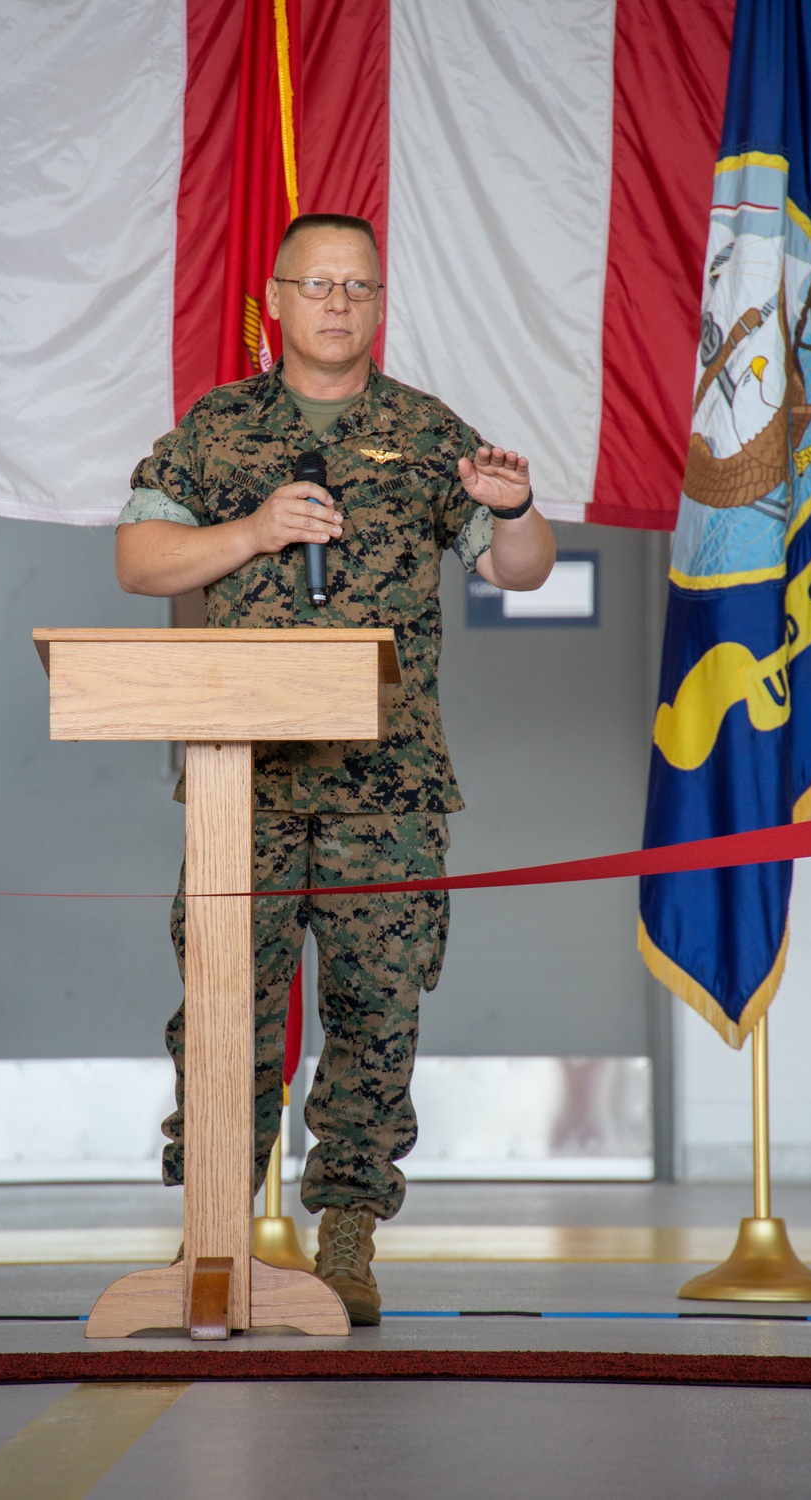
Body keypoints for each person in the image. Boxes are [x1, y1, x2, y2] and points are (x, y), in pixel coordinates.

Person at [116, 213, 555, 1325]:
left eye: (358, 288)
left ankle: (347, 1240)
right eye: (317, 285)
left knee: (375, 1016)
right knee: (226, 1012)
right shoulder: (219, 431)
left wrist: (517, 510)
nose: (338, 305)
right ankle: (211, 1232)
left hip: (387, 788)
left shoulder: (422, 431)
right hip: (244, 787)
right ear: (276, 301)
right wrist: (254, 530)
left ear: (377, 304)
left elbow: (521, 568)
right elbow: (137, 558)